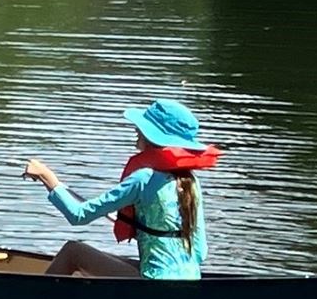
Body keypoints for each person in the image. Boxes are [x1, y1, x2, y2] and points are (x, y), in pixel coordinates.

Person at [23, 95, 219, 279]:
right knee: (115, 260)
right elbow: (200, 251)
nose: (136, 131)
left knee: (72, 251)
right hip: (190, 281)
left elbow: (78, 215)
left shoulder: (143, 179)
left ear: (151, 136)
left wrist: (45, 175)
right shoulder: (191, 182)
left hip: (153, 282)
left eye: (140, 129)